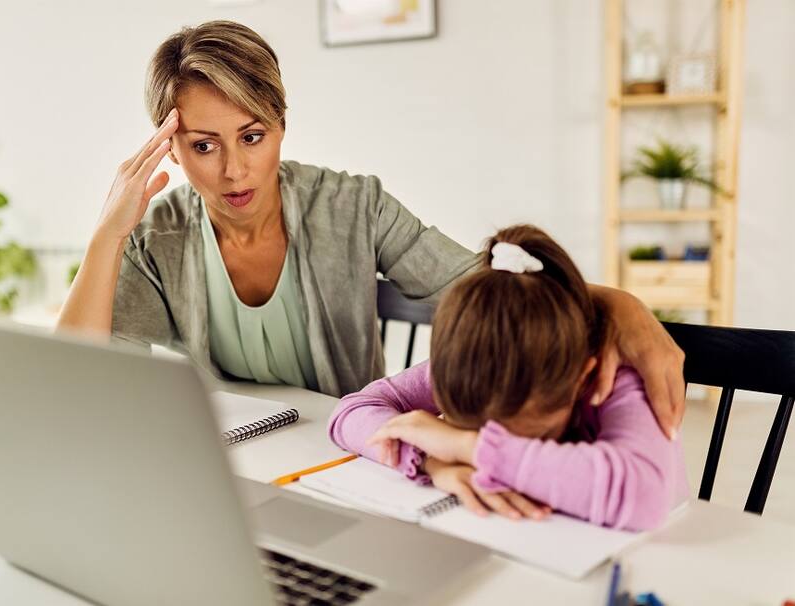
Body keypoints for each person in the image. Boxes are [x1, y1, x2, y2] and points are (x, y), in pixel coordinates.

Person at [57, 20, 686, 439]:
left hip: (350, 450)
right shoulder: (157, 233)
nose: (234, 169)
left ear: (281, 124)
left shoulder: (353, 205)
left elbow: (485, 287)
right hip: (227, 469)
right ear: (170, 147)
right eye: (203, 145)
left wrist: (620, 304)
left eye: (253, 136)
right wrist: (108, 235)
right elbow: (78, 381)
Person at [328, 226, 688, 531]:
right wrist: (429, 459)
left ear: (582, 376)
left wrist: (464, 446)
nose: (487, 446)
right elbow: (351, 412)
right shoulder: (478, 355)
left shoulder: (618, 377)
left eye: (520, 434)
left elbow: (645, 497)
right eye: (470, 429)